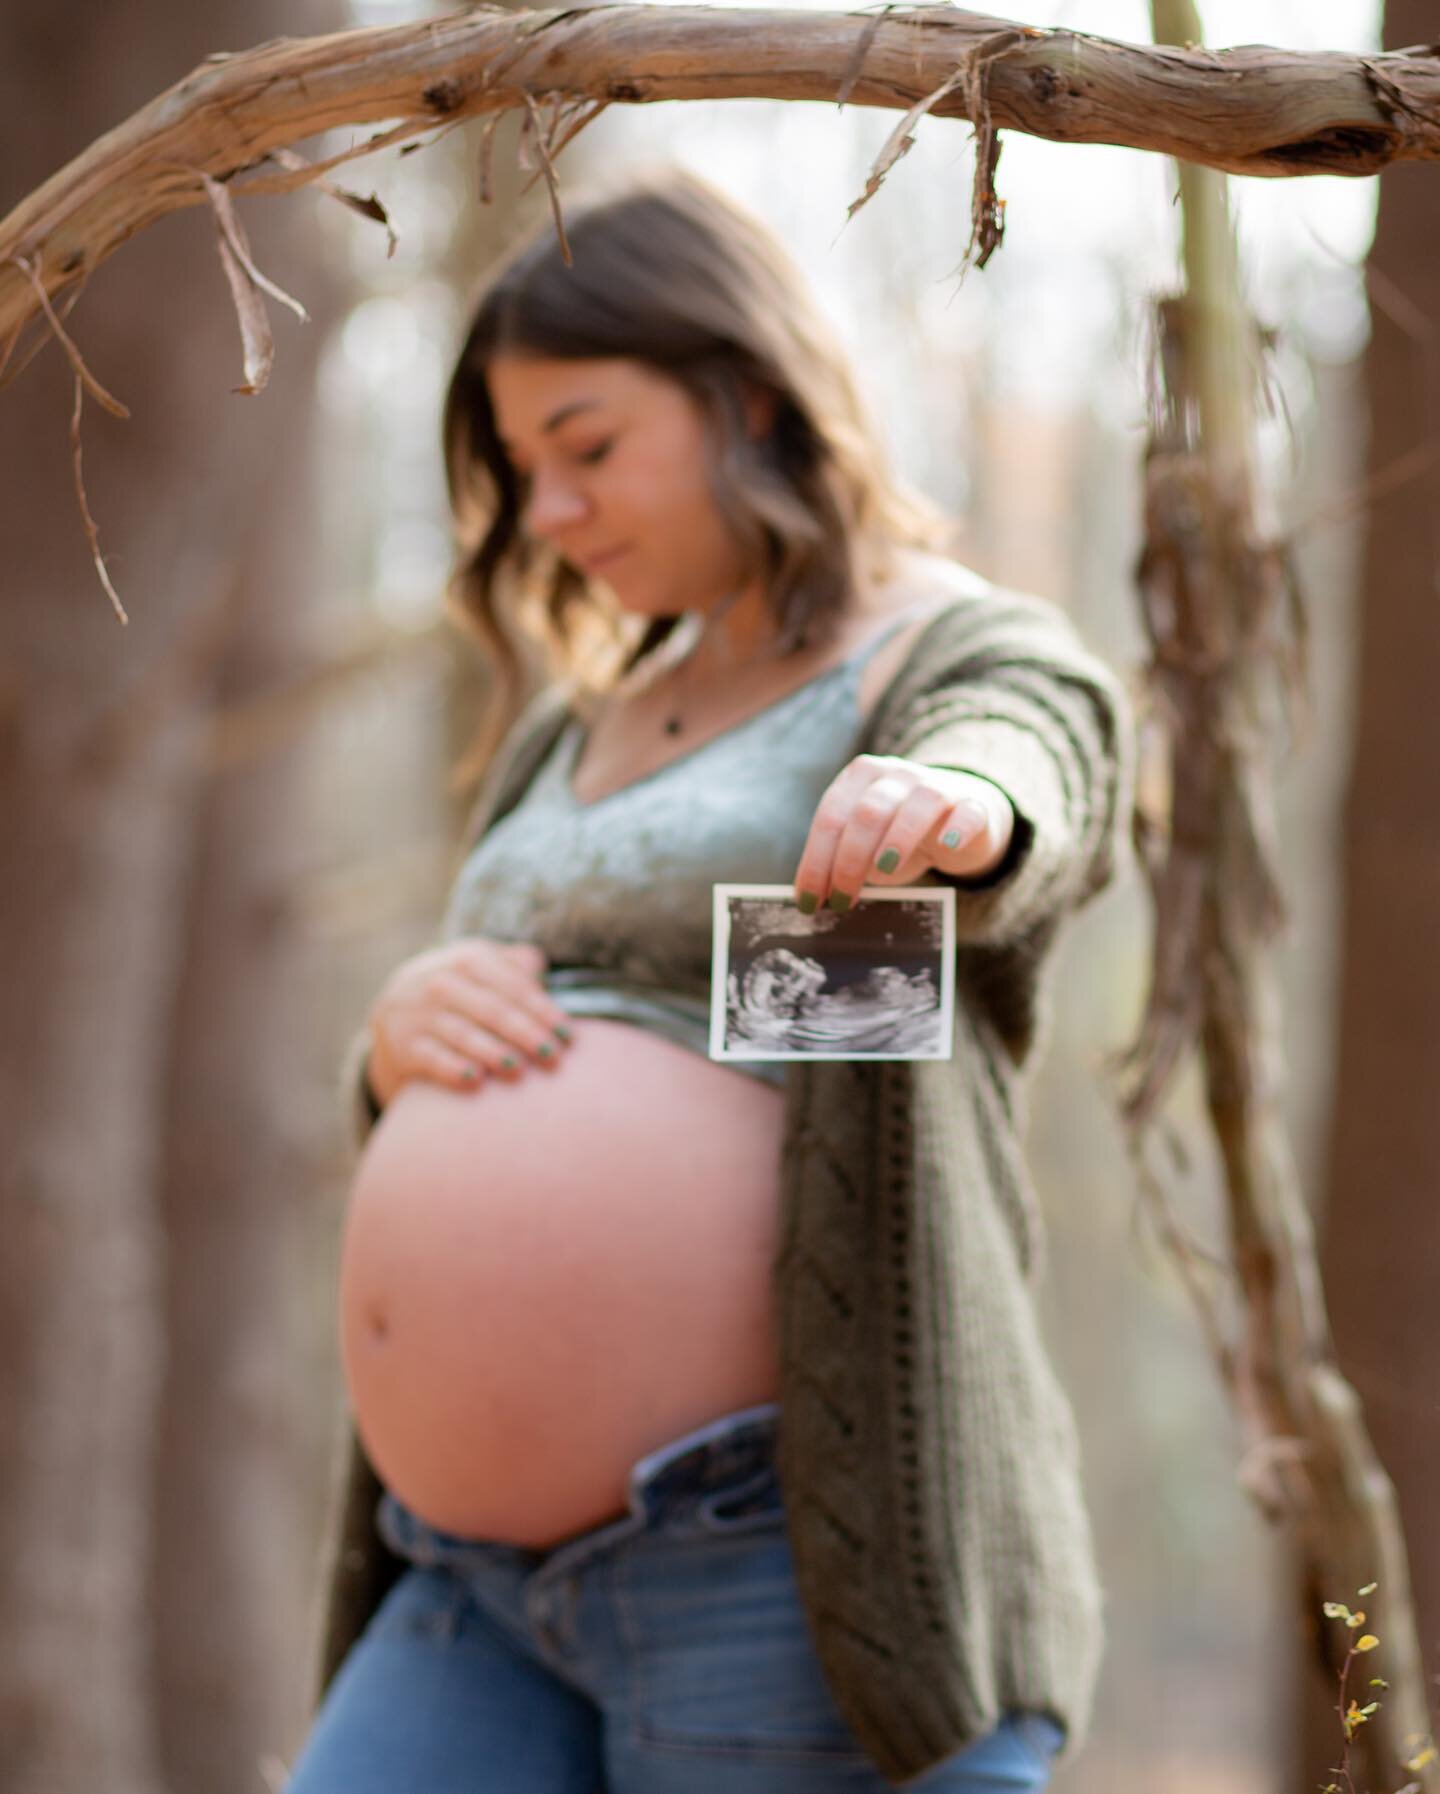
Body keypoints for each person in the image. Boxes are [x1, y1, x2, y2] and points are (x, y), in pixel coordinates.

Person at [288, 166, 1134, 1794]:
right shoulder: (573, 721)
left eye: (588, 448)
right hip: (466, 1576)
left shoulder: (945, 655)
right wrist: (396, 1049)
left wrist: (962, 810)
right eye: (525, 471)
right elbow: (587, 1017)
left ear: (748, 393)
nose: (550, 515)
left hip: (772, 1554)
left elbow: (1022, 801)